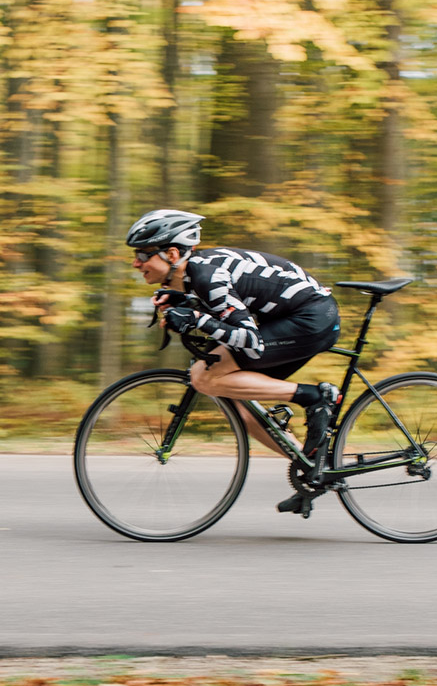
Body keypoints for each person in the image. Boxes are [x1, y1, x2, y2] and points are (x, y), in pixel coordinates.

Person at [126, 208, 341, 514]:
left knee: (204, 376)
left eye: (143, 255)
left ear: (172, 254)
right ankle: (312, 470)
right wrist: (185, 302)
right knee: (238, 402)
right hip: (297, 317)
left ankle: (315, 396)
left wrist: (195, 318)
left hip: (311, 319)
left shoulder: (205, 275)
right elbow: (233, 301)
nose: (136, 263)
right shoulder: (195, 272)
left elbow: (249, 341)